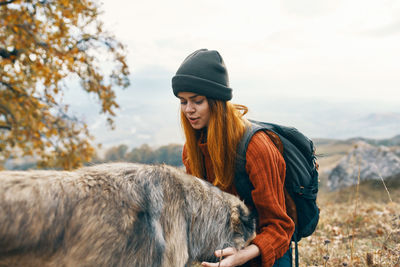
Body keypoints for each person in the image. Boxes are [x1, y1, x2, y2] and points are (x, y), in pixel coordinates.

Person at [171, 49, 295, 267]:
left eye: (197, 101)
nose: (188, 110)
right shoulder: (191, 152)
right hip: (224, 252)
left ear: (216, 101)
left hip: (266, 251)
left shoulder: (256, 148)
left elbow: (280, 227)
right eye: (183, 102)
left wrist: (242, 256)